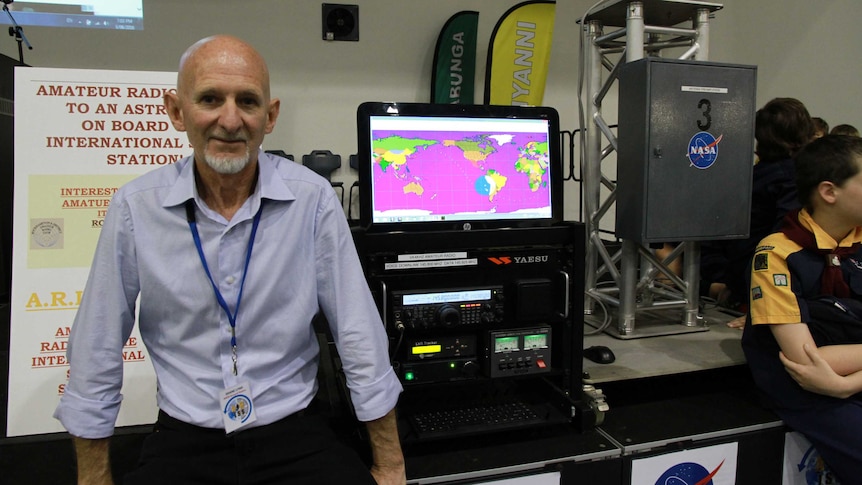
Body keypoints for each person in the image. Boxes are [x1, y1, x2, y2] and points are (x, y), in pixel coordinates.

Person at [54, 35, 406, 485]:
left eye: (247, 101)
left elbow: (359, 335)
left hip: (296, 435)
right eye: (210, 99)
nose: (230, 119)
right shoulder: (135, 208)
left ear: (270, 116)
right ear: (177, 111)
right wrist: (93, 477)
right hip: (184, 439)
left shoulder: (312, 200)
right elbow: (96, 347)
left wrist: (390, 466)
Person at [742, 134, 862, 482]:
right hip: (809, 392)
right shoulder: (777, 253)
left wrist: (847, 384)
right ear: (829, 192)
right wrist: (840, 387)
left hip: (845, 384)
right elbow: (807, 362)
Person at [700, 97, 813, 324]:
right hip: (761, 283)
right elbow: (782, 241)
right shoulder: (792, 179)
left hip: (737, 274)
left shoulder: (751, 176)